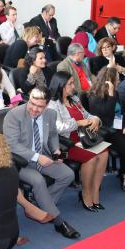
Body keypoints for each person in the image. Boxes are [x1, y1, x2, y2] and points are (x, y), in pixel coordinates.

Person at [3, 87, 79, 238]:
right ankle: (59, 222)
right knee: (38, 181)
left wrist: (56, 149)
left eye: (40, 106)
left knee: (68, 175)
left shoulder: (51, 114)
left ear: (47, 104)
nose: (34, 109)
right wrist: (37, 157)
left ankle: (41, 205)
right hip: (20, 161)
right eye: (32, 103)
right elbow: (12, 145)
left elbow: (53, 134)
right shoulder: (14, 115)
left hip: (44, 156)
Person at [48, 71, 109, 211]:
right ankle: (86, 194)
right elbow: (58, 127)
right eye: (70, 84)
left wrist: (95, 119)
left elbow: (87, 115)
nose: (73, 86)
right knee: (91, 158)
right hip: (67, 142)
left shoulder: (74, 99)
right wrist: (78, 123)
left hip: (84, 137)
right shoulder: (53, 104)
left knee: (104, 152)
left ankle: (95, 193)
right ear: (60, 85)